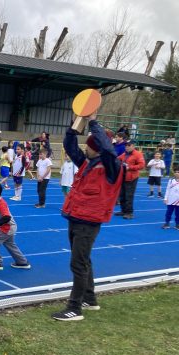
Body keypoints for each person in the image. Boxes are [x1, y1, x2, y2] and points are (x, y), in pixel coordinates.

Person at [52, 113, 123, 321]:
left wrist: (93, 123)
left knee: (78, 263)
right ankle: (90, 299)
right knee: (84, 259)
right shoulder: (86, 163)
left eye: (89, 145)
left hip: (88, 222)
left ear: (97, 147)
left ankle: (74, 308)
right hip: (76, 217)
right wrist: (74, 127)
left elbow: (108, 149)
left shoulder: (111, 166)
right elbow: (70, 147)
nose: (85, 148)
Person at [115, 141, 145, 219]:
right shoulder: (125, 154)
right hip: (123, 177)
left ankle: (129, 213)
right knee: (122, 195)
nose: (127, 147)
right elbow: (117, 159)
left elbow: (141, 165)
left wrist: (130, 167)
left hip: (132, 178)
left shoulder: (138, 154)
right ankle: (123, 210)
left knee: (129, 195)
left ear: (133, 146)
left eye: (129, 146)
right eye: (126, 146)